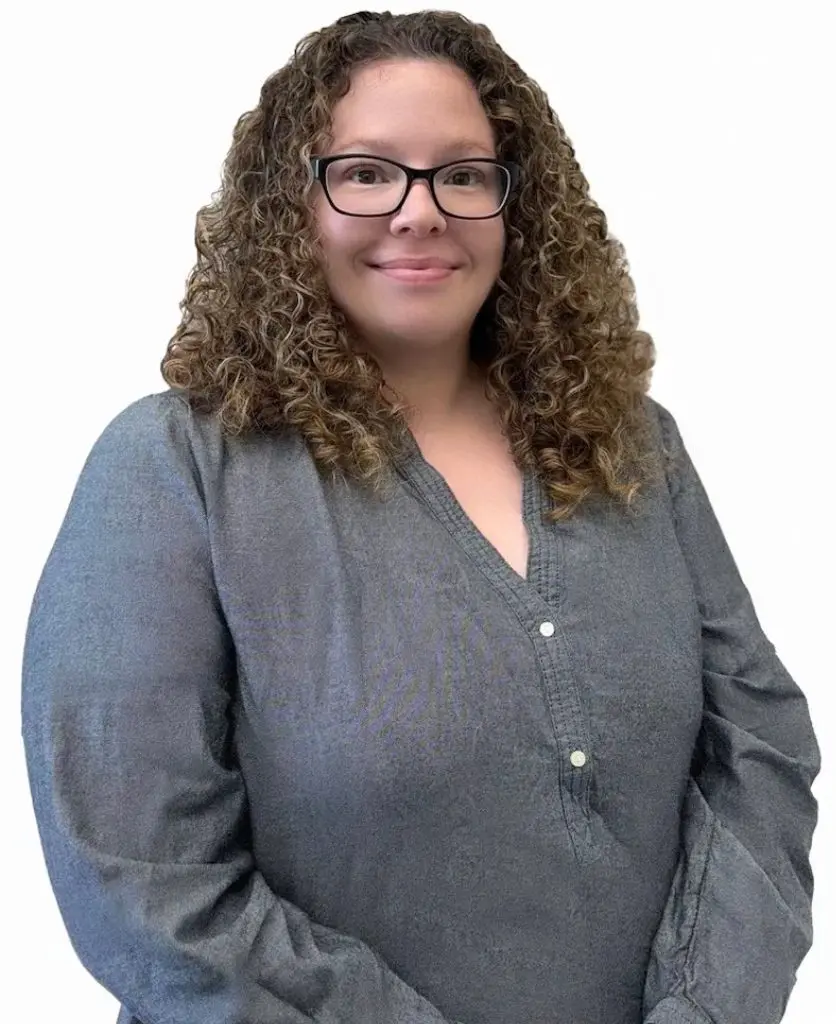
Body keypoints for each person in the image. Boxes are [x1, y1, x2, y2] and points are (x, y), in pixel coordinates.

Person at [21, 10, 820, 1024]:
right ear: (290, 206)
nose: (418, 210)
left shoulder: (632, 448)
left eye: (462, 173)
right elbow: (142, 883)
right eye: (364, 171)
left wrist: (704, 1011)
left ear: (514, 206)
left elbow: (758, 745)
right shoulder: (173, 469)